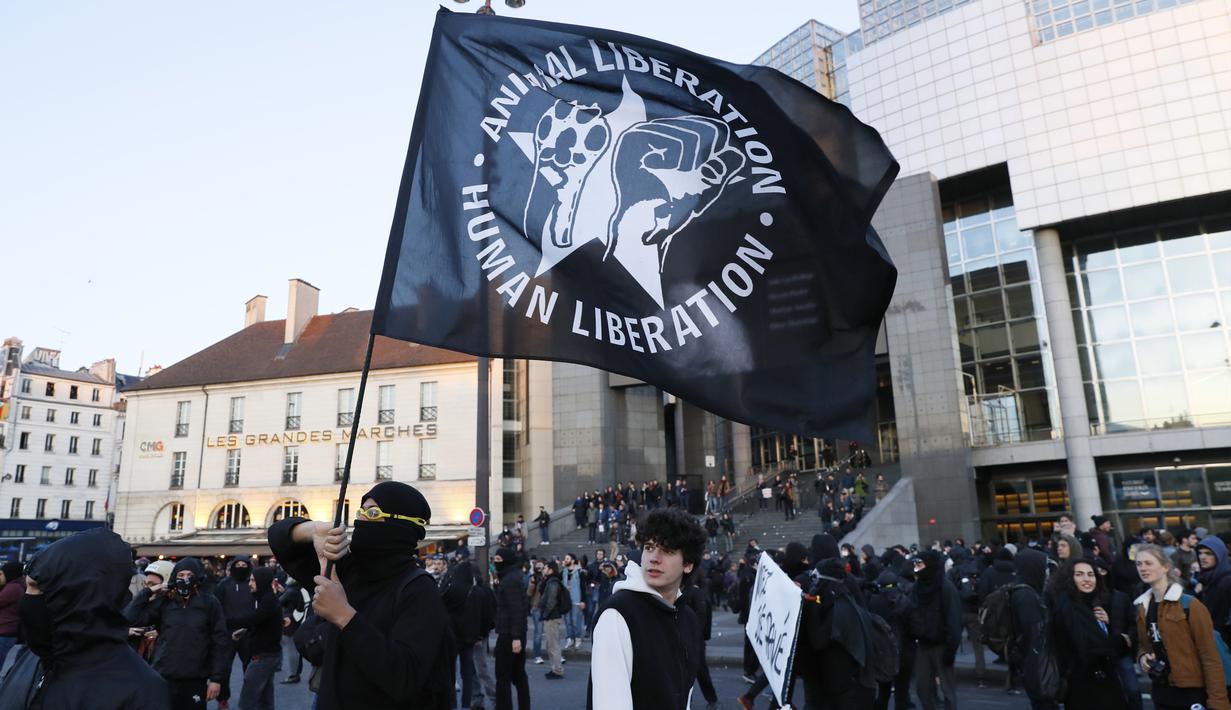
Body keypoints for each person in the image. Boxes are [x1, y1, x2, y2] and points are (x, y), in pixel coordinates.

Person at [267, 480, 454, 709]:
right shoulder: (348, 570)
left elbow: (405, 677)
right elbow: (279, 537)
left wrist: (344, 615)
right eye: (361, 511)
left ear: (402, 524)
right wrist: (314, 530)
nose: (360, 520)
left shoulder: (419, 590)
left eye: (373, 513)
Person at [18, 528, 169, 710]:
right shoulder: (30, 660)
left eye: (38, 589)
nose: (28, 598)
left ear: (79, 594)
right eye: (28, 588)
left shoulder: (141, 691)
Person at [588, 508, 706, 710]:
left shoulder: (688, 619)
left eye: (667, 550)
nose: (654, 558)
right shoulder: (617, 614)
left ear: (687, 564)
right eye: (649, 547)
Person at [125, 557, 230, 709]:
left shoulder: (209, 603)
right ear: (174, 577)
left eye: (189, 575)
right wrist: (148, 591)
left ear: (197, 576)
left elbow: (220, 641)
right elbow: (130, 618)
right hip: (164, 677)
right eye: (181, 575)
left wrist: (217, 679)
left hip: (195, 680)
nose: (185, 579)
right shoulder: (165, 601)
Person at [1134, 544, 1230, 710]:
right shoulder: (1142, 607)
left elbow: (1210, 657)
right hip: (1162, 690)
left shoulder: (1190, 604)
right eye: (1139, 564)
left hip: (1192, 691)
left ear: (1165, 567)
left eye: (1149, 563)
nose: (1143, 568)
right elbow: (1145, 644)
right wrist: (1143, 656)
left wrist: (1218, 702)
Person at [1050, 558, 1128, 709]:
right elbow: (1089, 648)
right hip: (1088, 687)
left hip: (1094, 682)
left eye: (1090, 574)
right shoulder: (1071, 606)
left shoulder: (1087, 604)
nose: (1087, 579)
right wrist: (1122, 640)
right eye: (1079, 574)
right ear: (1069, 579)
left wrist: (1106, 625)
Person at [908, 550, 961, 710]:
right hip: (923, 645)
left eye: (920, 564)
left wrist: (950, 650)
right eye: (915, 565)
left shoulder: (946, 588)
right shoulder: (916, 588)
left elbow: (954, 620)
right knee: (922, 688)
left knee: (947, 690)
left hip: (942, 645)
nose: (916, 568)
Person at [238, 567, 283, 710]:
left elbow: (255, 619)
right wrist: (245, 630)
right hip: (267, 655)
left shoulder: (268, 600)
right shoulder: (266, 599)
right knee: (265, 700)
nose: (250, 583)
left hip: (263, 657)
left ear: (261, 581)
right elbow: (261, 623)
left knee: (247, 701)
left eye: (253, 580)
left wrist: (224, 621)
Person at [214, 557, 256, 708]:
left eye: (244, 565)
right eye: (237, 565)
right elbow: (216, 607)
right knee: (224, 669)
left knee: (250, 670)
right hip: (227, 632)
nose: (240, 567)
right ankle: (223, 699)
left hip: (248, 632)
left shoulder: (252, 584)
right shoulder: (223, 585)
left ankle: (249, 699)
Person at [492, 546, 530, 710]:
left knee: (503, 675)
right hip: (515, 633)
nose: (495, 563)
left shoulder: (509, 581)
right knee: (518, 675)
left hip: (509, 634)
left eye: (498, 560)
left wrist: (515, 638)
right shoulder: (513, 577)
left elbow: (515, 609)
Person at [277, 577, 309, 684]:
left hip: (289, 621)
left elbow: (279, 602)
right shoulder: (299, 589)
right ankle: (294, 673)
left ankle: (293, 674)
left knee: (291, 649)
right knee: (291, 647)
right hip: (295, 620)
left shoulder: (292, 590)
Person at [538, 559, 566, 680]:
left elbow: (551, 600)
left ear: (550, 569)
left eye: (545, 568)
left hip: (552, 616)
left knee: (553, 644)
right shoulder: (549, 581)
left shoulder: (553, 582)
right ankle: (554, 668)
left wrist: (546, 613)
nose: (543, 569)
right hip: (551, 616)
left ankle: (558, 670)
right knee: (550, 644)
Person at [0, 560, 25, 663]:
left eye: (1, 574)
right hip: (7, 631)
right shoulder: (17, 586)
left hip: (4, 631)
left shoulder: (13, 588)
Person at [561, 553, 586, 650]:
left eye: (567, 558)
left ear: (573, 560)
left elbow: (583, 588)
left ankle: (577, 638)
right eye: (565, 558)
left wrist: (583, 600)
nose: (565, 560)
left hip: (576, 600)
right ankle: (570, 639)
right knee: (568, 621)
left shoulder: (580, 572)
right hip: (566, 601)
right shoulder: (563, 572)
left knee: (576, 621)